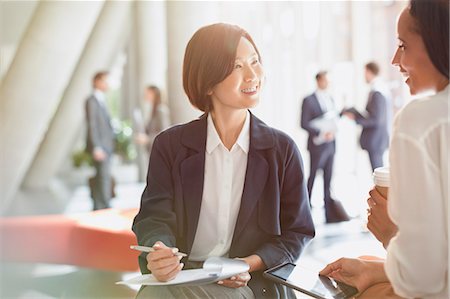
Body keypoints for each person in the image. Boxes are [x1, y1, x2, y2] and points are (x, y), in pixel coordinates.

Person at [132, 23, 315, 298]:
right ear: (207, 81)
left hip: (249, 282)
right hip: (184, 275)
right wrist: (160, 251)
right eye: (237, 66)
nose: (253, 74)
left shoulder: (281, 150)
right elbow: (154, 217)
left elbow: (297, 232)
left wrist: (243, 264)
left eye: (254, 61)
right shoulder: (170, 146)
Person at [320, 1, 449, 298]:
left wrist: (391, 234)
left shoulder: (422, 119)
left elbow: (423, 280)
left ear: (438, 41)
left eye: (403, 45)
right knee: (367, 267)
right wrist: (374, 270)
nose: (395, 59)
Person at [301, 71, 350, 223]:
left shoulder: (330, 98)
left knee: (329, 179)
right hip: (317, 145)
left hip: (330, 144)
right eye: (326, 80)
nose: (329, 83)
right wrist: (322, 131)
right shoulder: (308, 100)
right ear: (319, 80)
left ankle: (330, 215)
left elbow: (333, 118)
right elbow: (304, 123)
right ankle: (304, 212)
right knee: (313, 177)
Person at [342, 62, 390, 171]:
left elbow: (376, 120)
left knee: (378, 173)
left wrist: (356, 118)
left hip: (376, 140)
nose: (364, 76)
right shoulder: (376, 90)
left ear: (369, 72)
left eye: (365, 73)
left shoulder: (378, 92)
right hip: (376, 140)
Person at [85, 71, 115, 211]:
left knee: (102, 178)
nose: (107, 84)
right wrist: (96, 146)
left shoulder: (101, 100)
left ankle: (99, 208)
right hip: (101, 147)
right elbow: (92, 124)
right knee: (103, 179)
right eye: (105, 81)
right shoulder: (91, 100)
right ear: (97, 81)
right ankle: (105, 209)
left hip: (106, 146)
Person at [134, 85, 171, 181]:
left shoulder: (161, 110)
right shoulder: (152, 111)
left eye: (147, 93)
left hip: (159, 153)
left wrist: (147, 139)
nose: (145, 95)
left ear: (154, 94)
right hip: (152, 151)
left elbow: (165, 133)